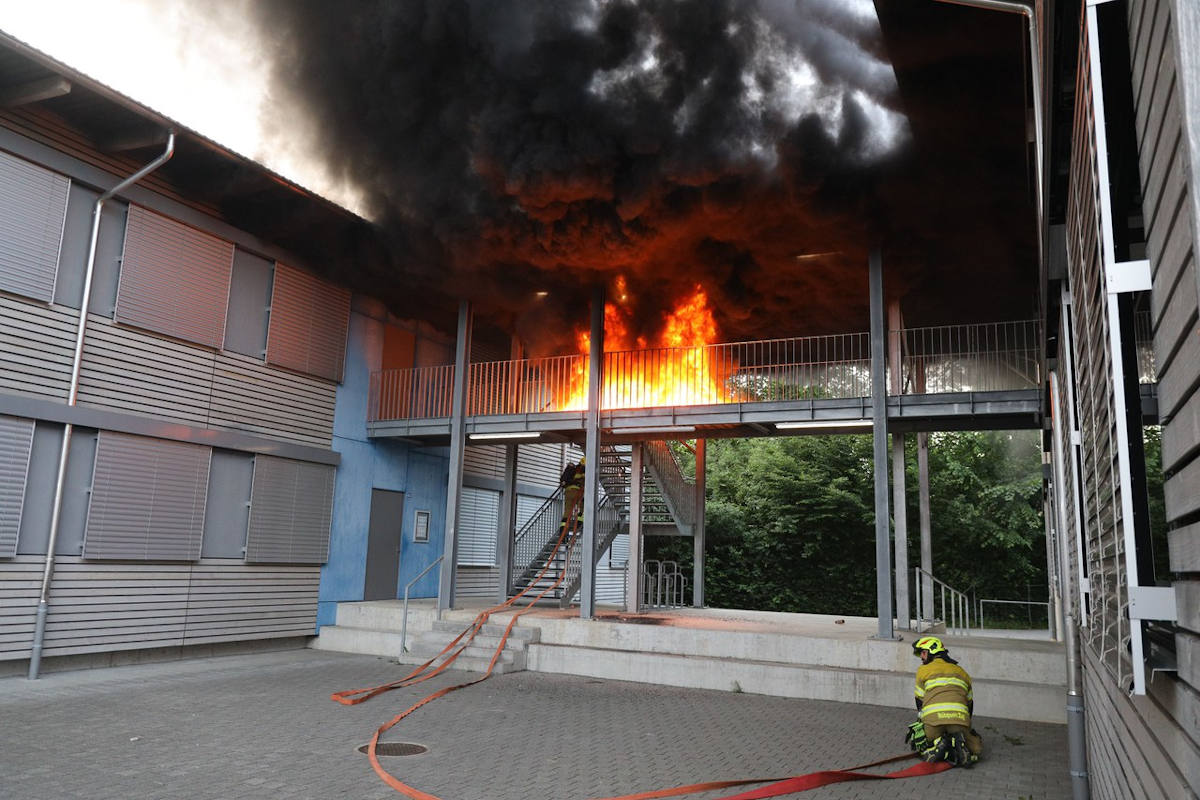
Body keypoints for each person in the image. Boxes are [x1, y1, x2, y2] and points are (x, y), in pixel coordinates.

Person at [906, 635, 983, 766]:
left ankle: (938, 743)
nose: (921, 657)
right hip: (959, 721)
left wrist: (922, 722)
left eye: (923, 653)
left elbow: (919, 701)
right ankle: (957, 742)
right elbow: (970, 704)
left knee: (920, 741)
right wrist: (966, 724)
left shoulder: (923, 670)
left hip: (933, 722)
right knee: (976, 749)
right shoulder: (962, 672)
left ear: (931, 651)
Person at [558, 457, 585, 537]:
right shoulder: (582, 470)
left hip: (568, 492)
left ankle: (562, 532)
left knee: (567, 512)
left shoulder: (573, 469)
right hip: (576, 492)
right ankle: (579, 524)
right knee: (584, 506)